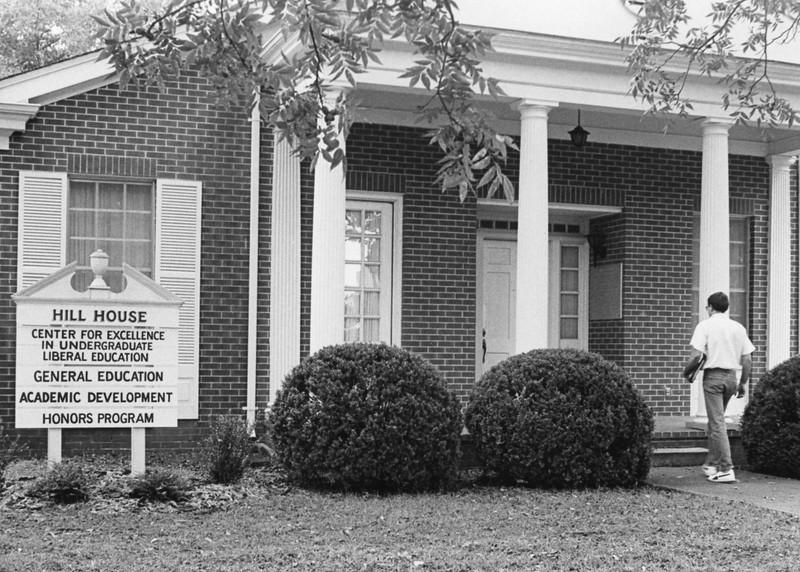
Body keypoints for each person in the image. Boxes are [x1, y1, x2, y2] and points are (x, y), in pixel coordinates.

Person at [684, 291, 755, 483]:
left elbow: (696, 357)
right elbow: (747, 359)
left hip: (713, 377)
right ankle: (712, 464)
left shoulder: (705, 325)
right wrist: (743, 383)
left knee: (717, 423)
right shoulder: (738, 327)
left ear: (709, 307)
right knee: (716, 421)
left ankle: (726, 468)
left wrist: (686, 372)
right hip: (732, 376)